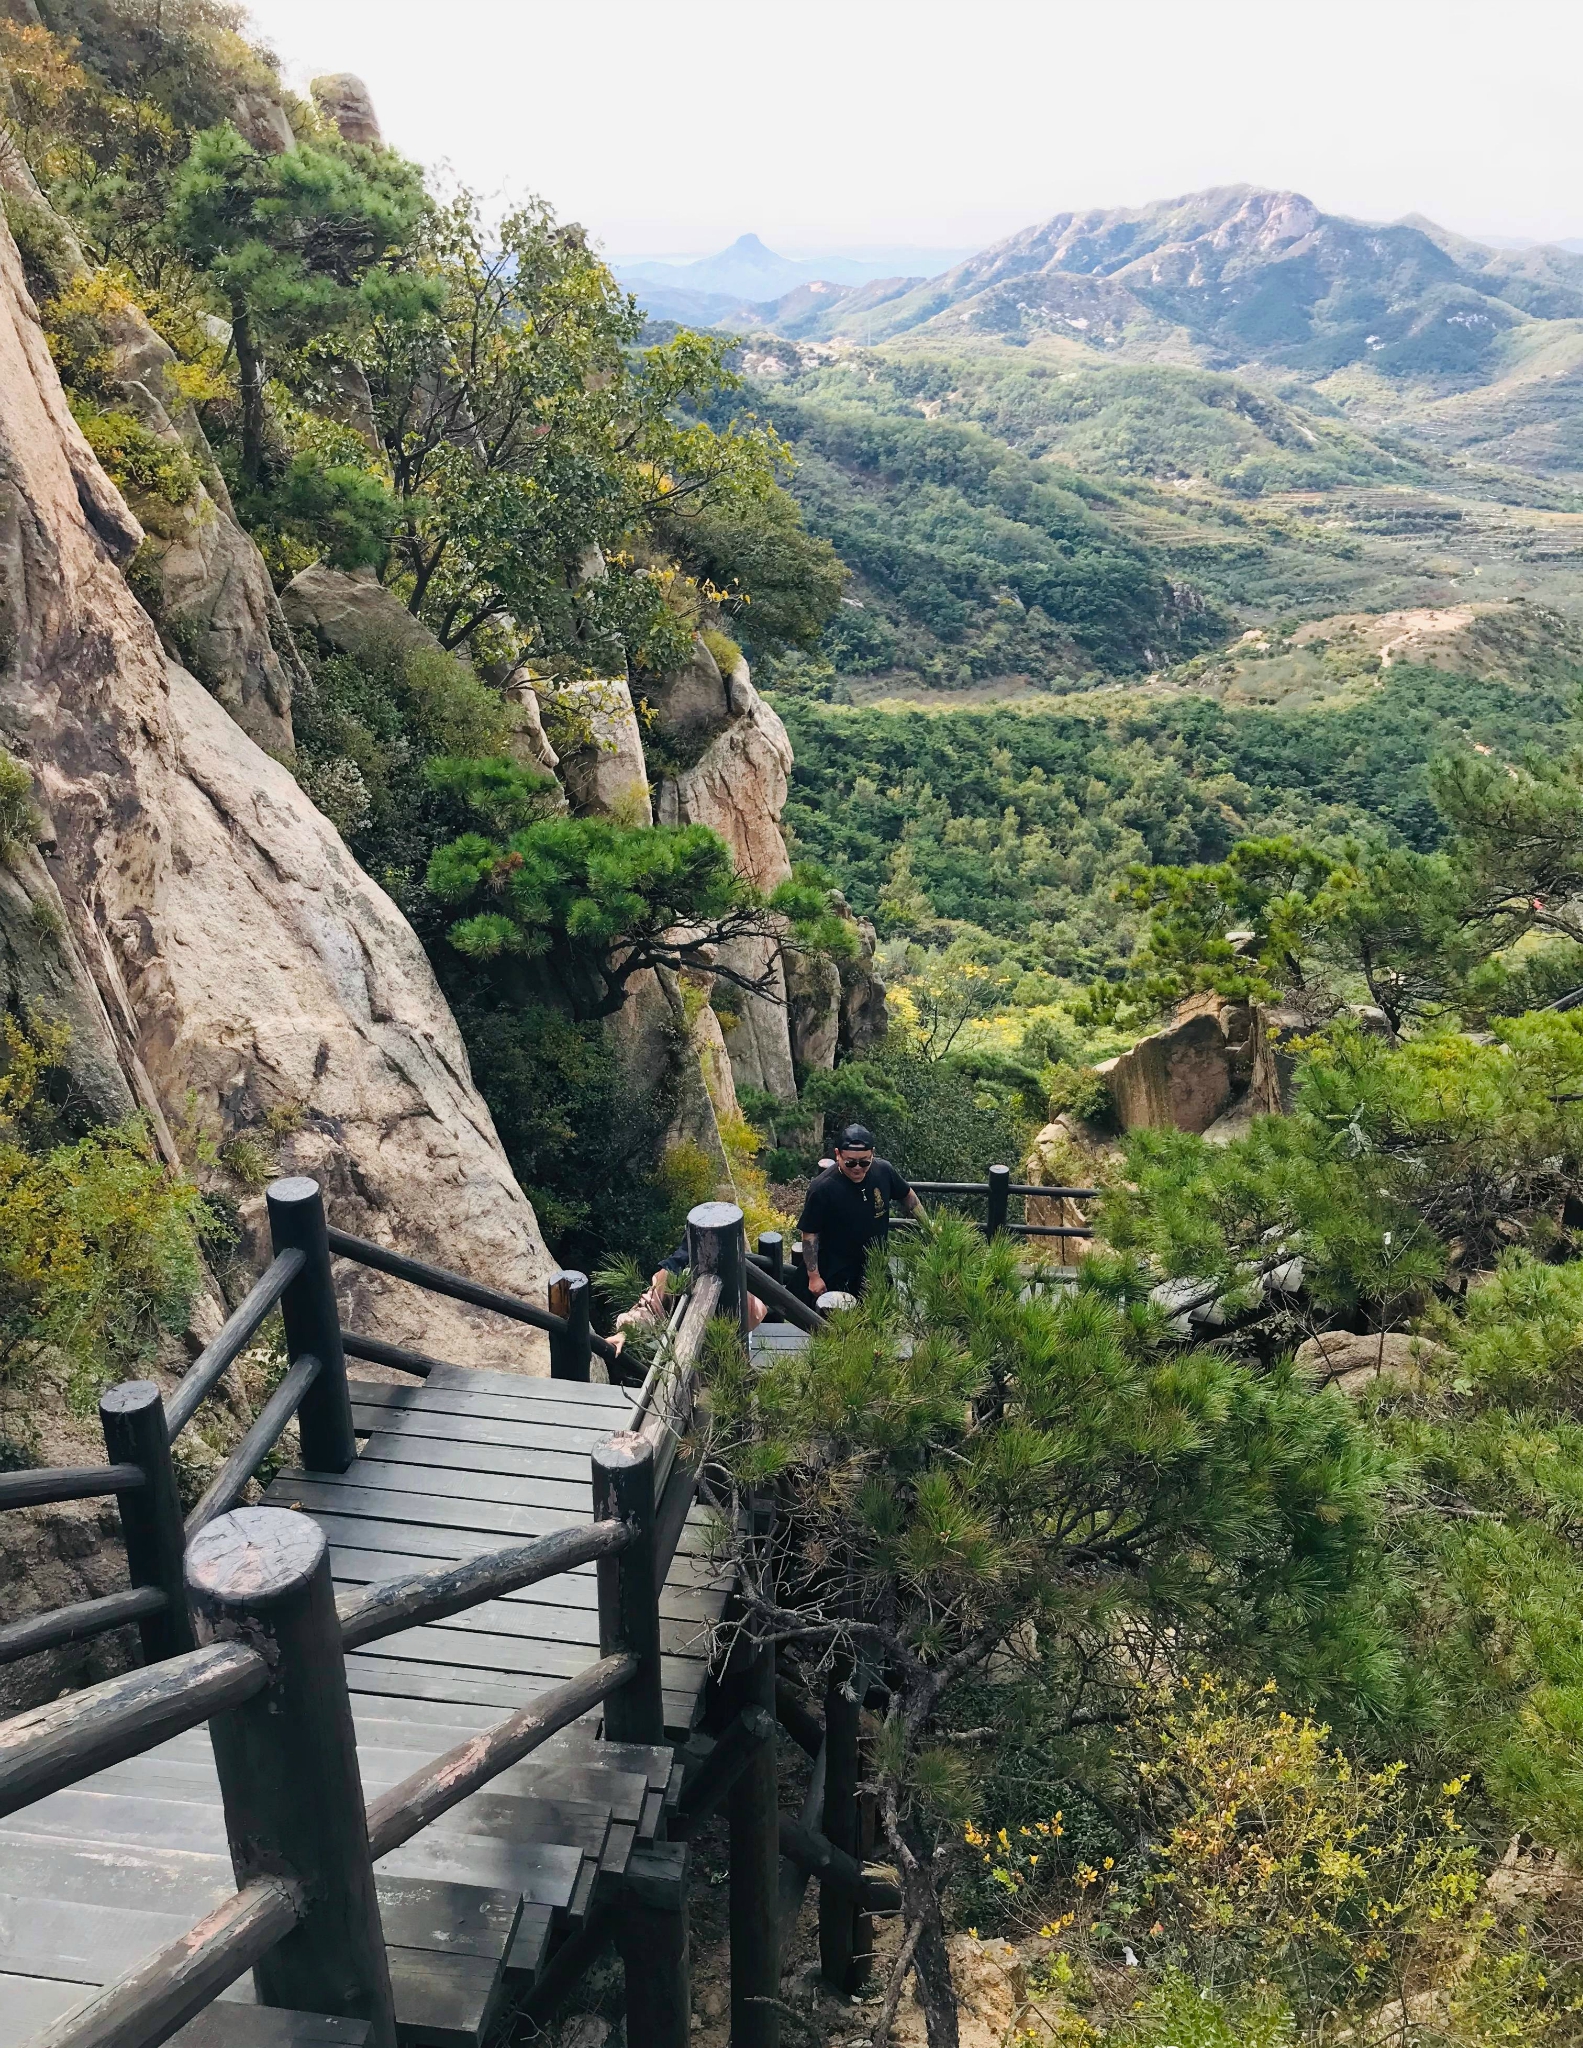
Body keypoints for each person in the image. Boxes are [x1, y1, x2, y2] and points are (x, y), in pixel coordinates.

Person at [798, 1125, 923, 1304]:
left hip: (876, 1264)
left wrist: (927, 1226)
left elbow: (907, 1196)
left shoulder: (883, 1171)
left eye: (864, 1162)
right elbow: (810, 1234)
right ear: (837, 1154)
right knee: (837, 1324)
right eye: (850, 1162)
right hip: (837, 1268)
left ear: (872, 1154)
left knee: (879, 1317)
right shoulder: (822, 1188)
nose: (857, 1168)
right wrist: (814, 1276)